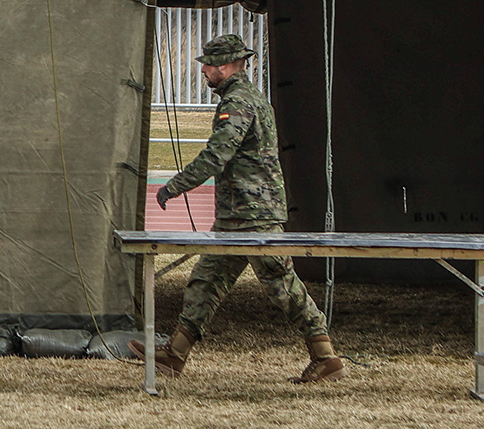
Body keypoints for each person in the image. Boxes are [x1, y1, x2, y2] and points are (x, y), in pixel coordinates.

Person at [130, 34, 344, 383]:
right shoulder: (245, 98)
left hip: (253, 216)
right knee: (206, 280)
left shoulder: (239, 102)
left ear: (225, 66)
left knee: (281, 285)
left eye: (209, 67)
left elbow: (218, 154)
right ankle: (175, 355)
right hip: (238, 216)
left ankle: (325, 356)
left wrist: (176, 185)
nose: (205, 72)